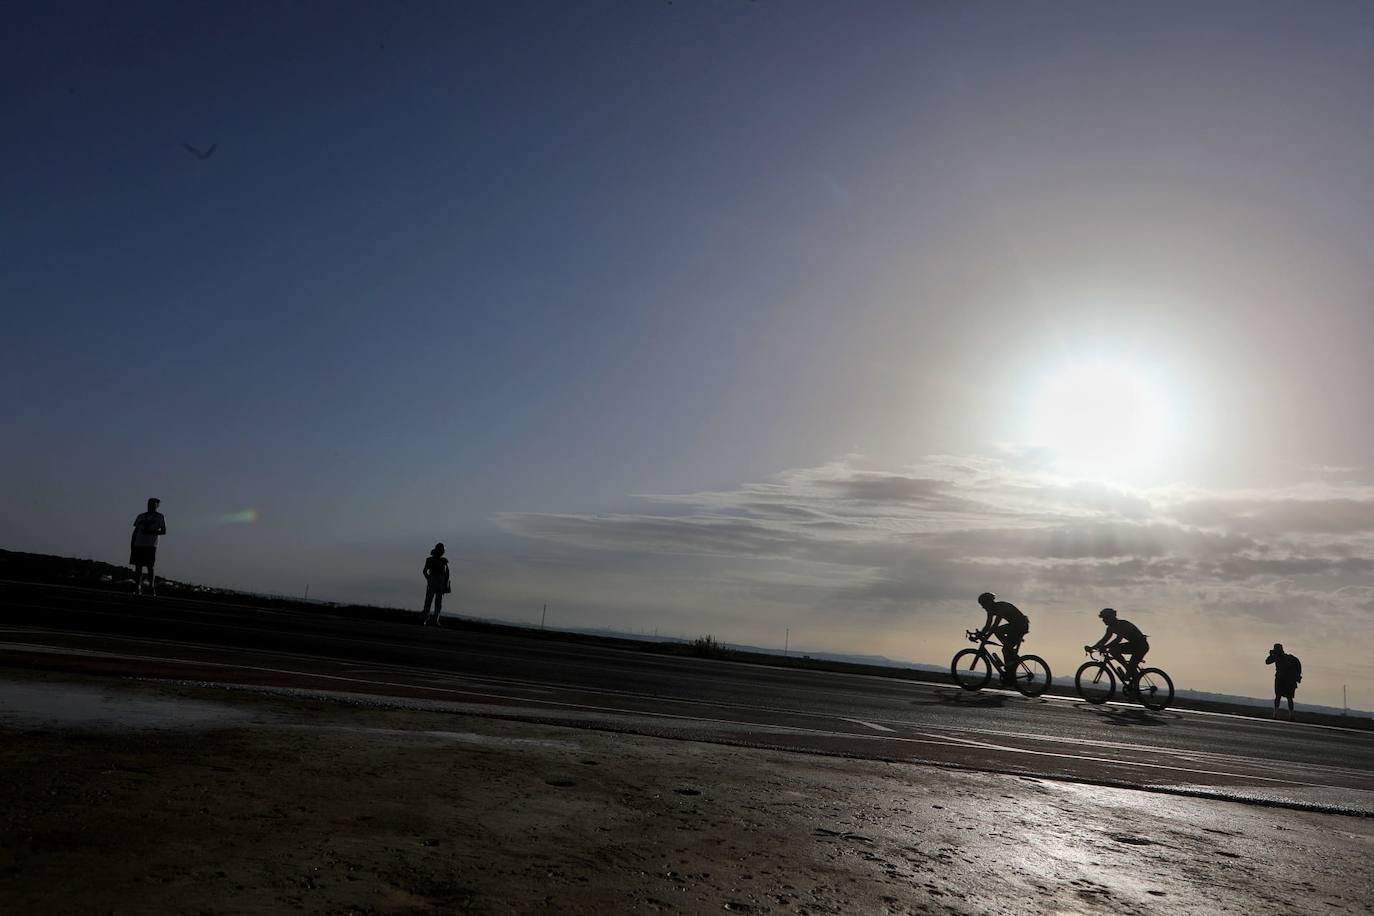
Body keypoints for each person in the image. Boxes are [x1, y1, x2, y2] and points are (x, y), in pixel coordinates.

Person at [974, 592, 1029, 686]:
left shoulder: (1001, 607)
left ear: (989, 602)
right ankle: (1010, 672)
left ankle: (1009, 661)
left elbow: (995, 625)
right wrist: (980, 634)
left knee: (999, 634)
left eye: (983, 605)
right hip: (1015, 626)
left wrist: (985, 636)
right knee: (1005, 650)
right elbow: (988, 625)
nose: (983, 607)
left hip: (1021, 625)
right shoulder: (990, 610)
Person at [1085, 608, 1149, 688]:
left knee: (1115, 651)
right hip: (1134, 645)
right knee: (1114, 651)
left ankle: (1130, 673)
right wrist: (1092, 647)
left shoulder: (1122, 624)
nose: (1103, 620)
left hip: (1141, 646)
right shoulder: (1110, 628)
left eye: (1105, 618)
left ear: (1110, 618)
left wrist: (1105, 647)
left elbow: (1118, 639)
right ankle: (1130, 673)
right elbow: (1104, 640)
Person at [129, 497, 167, 596]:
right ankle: (138, 587)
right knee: (138, 567)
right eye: (149, 503)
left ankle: (151, 587)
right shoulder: (141, 516)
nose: (150, 506)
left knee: (150, 567)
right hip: (138, 544)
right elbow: (136, 530)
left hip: (150, 545)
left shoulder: (159, 517)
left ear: (157, 506)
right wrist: (132, 543)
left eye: (153, 504)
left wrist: (150, 532)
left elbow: (163, 531)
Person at [1265, 643, 1302, 720]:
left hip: (1282, 680)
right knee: (1287, 698)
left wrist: (1272, 655)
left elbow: (1267, 661)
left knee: (1280, 697)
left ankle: (1276, 714)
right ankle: (1289, 715)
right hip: (1286, 680)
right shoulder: (1286, 658)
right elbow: (1267, 662)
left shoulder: (1279, 657)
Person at [420, 543, 450, 626]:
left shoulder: (444, 561)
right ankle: (424, 619)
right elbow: (425, 571)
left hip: (440, 582)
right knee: (429, 602)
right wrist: (429, 579)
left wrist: (445, 583)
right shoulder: (430, 560)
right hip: (433, 581)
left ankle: (434, 620)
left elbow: (446, 574)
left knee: (437, 603)